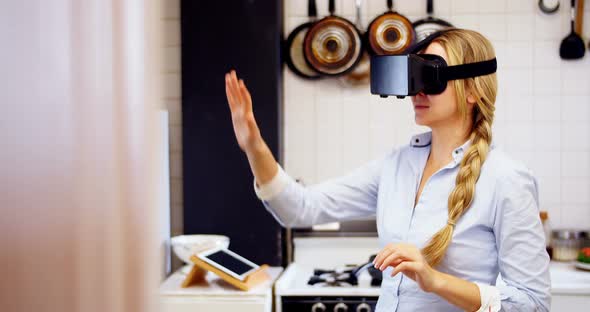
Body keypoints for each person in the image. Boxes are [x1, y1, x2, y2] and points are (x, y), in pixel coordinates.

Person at [224, 29, 550, 312]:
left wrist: (436, 280)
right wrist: (254, 146)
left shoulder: (505, 179)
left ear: (473, 91)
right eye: (414, 76)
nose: (417, 91)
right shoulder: (396, 166)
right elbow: (300, 209)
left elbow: (532, 303)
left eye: (431, 76)